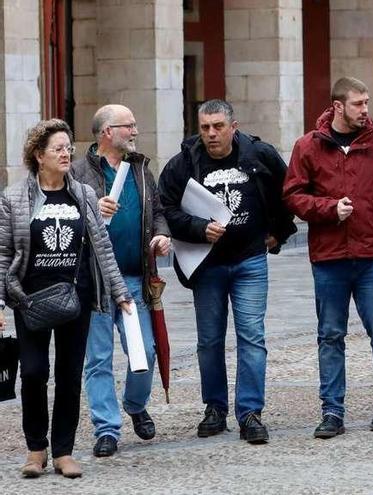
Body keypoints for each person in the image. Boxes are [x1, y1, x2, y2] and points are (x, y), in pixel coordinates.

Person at [0, 119, 132, 478]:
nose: (65, 153)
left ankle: (63, 451)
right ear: (38, 155)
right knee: (33, 372)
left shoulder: (84, 194)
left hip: (76, 295)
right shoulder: (13, 198)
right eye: (57, 148)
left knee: (70, 374)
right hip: (30, 298)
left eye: (68, 147)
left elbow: (102, 248)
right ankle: (35, 450)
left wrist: (120, 292)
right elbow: (2, 252)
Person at [158, 99, 295, 444]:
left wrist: (280, 231)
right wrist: (198, 227)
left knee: (252, 337)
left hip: (250, 260)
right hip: (207, 265)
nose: (211, 134)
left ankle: (250, 412)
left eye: (218, 126)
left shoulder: (258, 155)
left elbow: (288, 191)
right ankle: (215, 408)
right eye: (205, 127)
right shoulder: (183, 164)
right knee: (209, 340)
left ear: (233, 127)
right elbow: (166, 209)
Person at [284, 76, 373, 439]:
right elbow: (292, 195)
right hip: (329, 258)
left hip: (372, 257)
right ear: (338, 106)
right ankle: (332, 411)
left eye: (367, 102)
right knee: (330, 334)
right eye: (358, 103)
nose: (365, 110)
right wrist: (327, 209)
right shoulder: (308, 146)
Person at [71, 104, 171, 458]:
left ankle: (134, 403)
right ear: (106, 133)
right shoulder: (77, 172)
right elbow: (66, 222)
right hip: (94, 282)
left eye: (134, 124)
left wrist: (161, 236)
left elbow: (157, 212)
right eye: (128, 126)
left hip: (133, 278)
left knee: (144, 352)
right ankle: (106, 429)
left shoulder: (142, 169)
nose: (135, 131)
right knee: (97, 359)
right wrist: (92, 212)